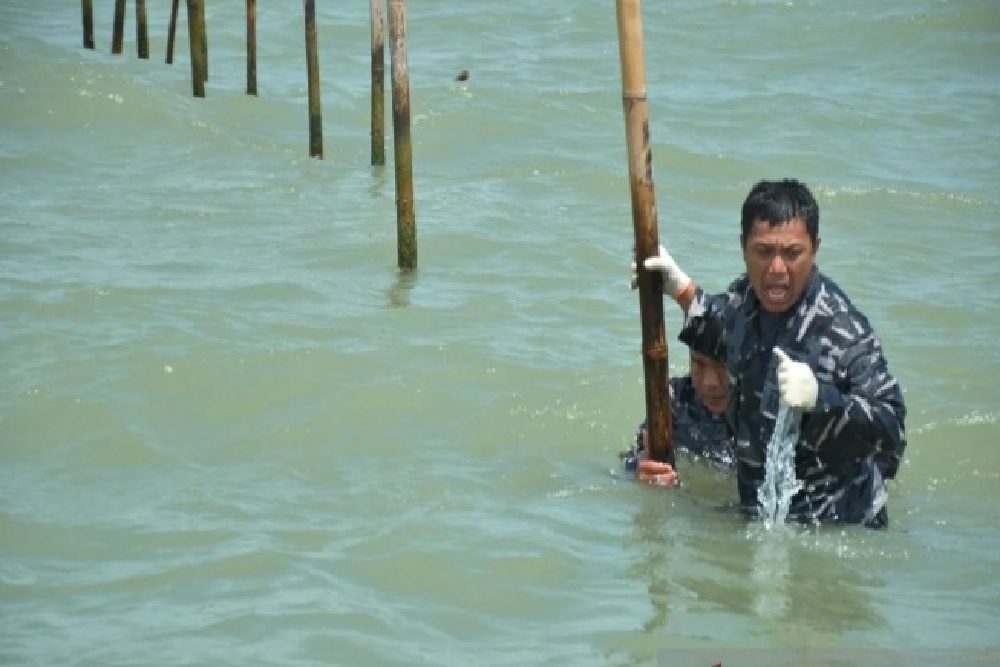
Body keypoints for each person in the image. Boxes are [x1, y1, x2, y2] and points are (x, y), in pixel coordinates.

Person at [639, 178, 906, 527]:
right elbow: (726, 327)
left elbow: (892, 428)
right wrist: (679, 288)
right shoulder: (745, 297)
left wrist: (820, 399)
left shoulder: (843, 331)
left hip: (836, 527)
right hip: (761, 516)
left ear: (815, 249)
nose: (776, 270)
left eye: (792, 253)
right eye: (763, 251)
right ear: (743, 247)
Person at [621, 333, 735, 487]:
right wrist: (642, 473)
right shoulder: (675, 401)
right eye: (699, 363)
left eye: (723, 364)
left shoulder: (772, 407)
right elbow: (630, 463)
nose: (710, 382)